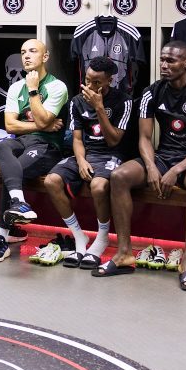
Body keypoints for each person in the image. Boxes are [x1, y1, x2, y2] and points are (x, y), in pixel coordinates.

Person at [99, 41, 186, 291]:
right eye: (162, 60)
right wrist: (153, 167)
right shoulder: (152, 92)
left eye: (171, 61)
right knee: (119, 176)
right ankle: (124, 253)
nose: (164, 65)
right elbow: (144, 137)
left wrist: (176, 170)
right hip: (162, 156)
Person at [43, 56, 133, 268]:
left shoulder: (124, 101)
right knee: (51, 181)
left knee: (98, 185)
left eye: (97, 82)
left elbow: (113, 140)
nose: (90, 86)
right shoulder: (77, 101)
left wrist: (99, 108)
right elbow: (76, 139)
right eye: (88, 80)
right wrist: (81, 161)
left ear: (109, 80)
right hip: (87, 153)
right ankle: (79, 237)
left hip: (112, 155)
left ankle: (102, 239)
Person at [0, 39, 68, 263]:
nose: (27, 56)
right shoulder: (14, 87)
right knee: (2, 145)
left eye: (33, 51)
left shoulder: (57, 87)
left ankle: (2, 238)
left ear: (45, 57)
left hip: (47, 146)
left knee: (12, 173)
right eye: (23, 52)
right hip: (23, 141)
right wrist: (43, 125)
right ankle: (19, 202)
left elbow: (43, 121)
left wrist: (33, 91)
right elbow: (10, 126)